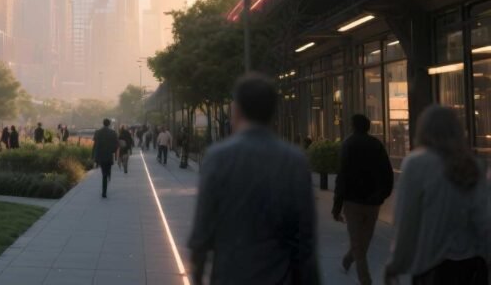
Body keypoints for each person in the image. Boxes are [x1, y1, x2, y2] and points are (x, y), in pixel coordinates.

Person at [188, 73, 318, 285]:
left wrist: (197, 275)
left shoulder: (218, 157)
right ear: (273, 113)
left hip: (230, 276)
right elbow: (305, 241)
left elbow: (202, 232)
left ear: (237, 110)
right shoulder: (295, 161)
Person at [384, 105, 489, 285]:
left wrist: (396, 263)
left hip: (431, 267)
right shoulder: (473, 165)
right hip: (471, 266)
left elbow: (406, 222)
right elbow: (485, 221)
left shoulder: (416, 164)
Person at [332, 114, 394, 285]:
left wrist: (337, 207)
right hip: (372, 203)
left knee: (360, 243)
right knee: (363, 242)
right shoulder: (376, 145)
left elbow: (342, 176)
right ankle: (365, 280)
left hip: (353, 202)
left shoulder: (348, 145)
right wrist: (382, 195)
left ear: (353, 126)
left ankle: (348, 259)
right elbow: (387, 173)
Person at [91, 118, 119, 198]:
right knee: (107, 170)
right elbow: (116, 144)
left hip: (101, 155)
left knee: (104, 172)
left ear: (103, 123)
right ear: (109, 124)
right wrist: (112, 151)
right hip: (108, 155)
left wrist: (93, 155)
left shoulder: (98, 132)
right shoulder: (113, 133)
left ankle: (104, 189)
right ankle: (107, 179)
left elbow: (95, 144)